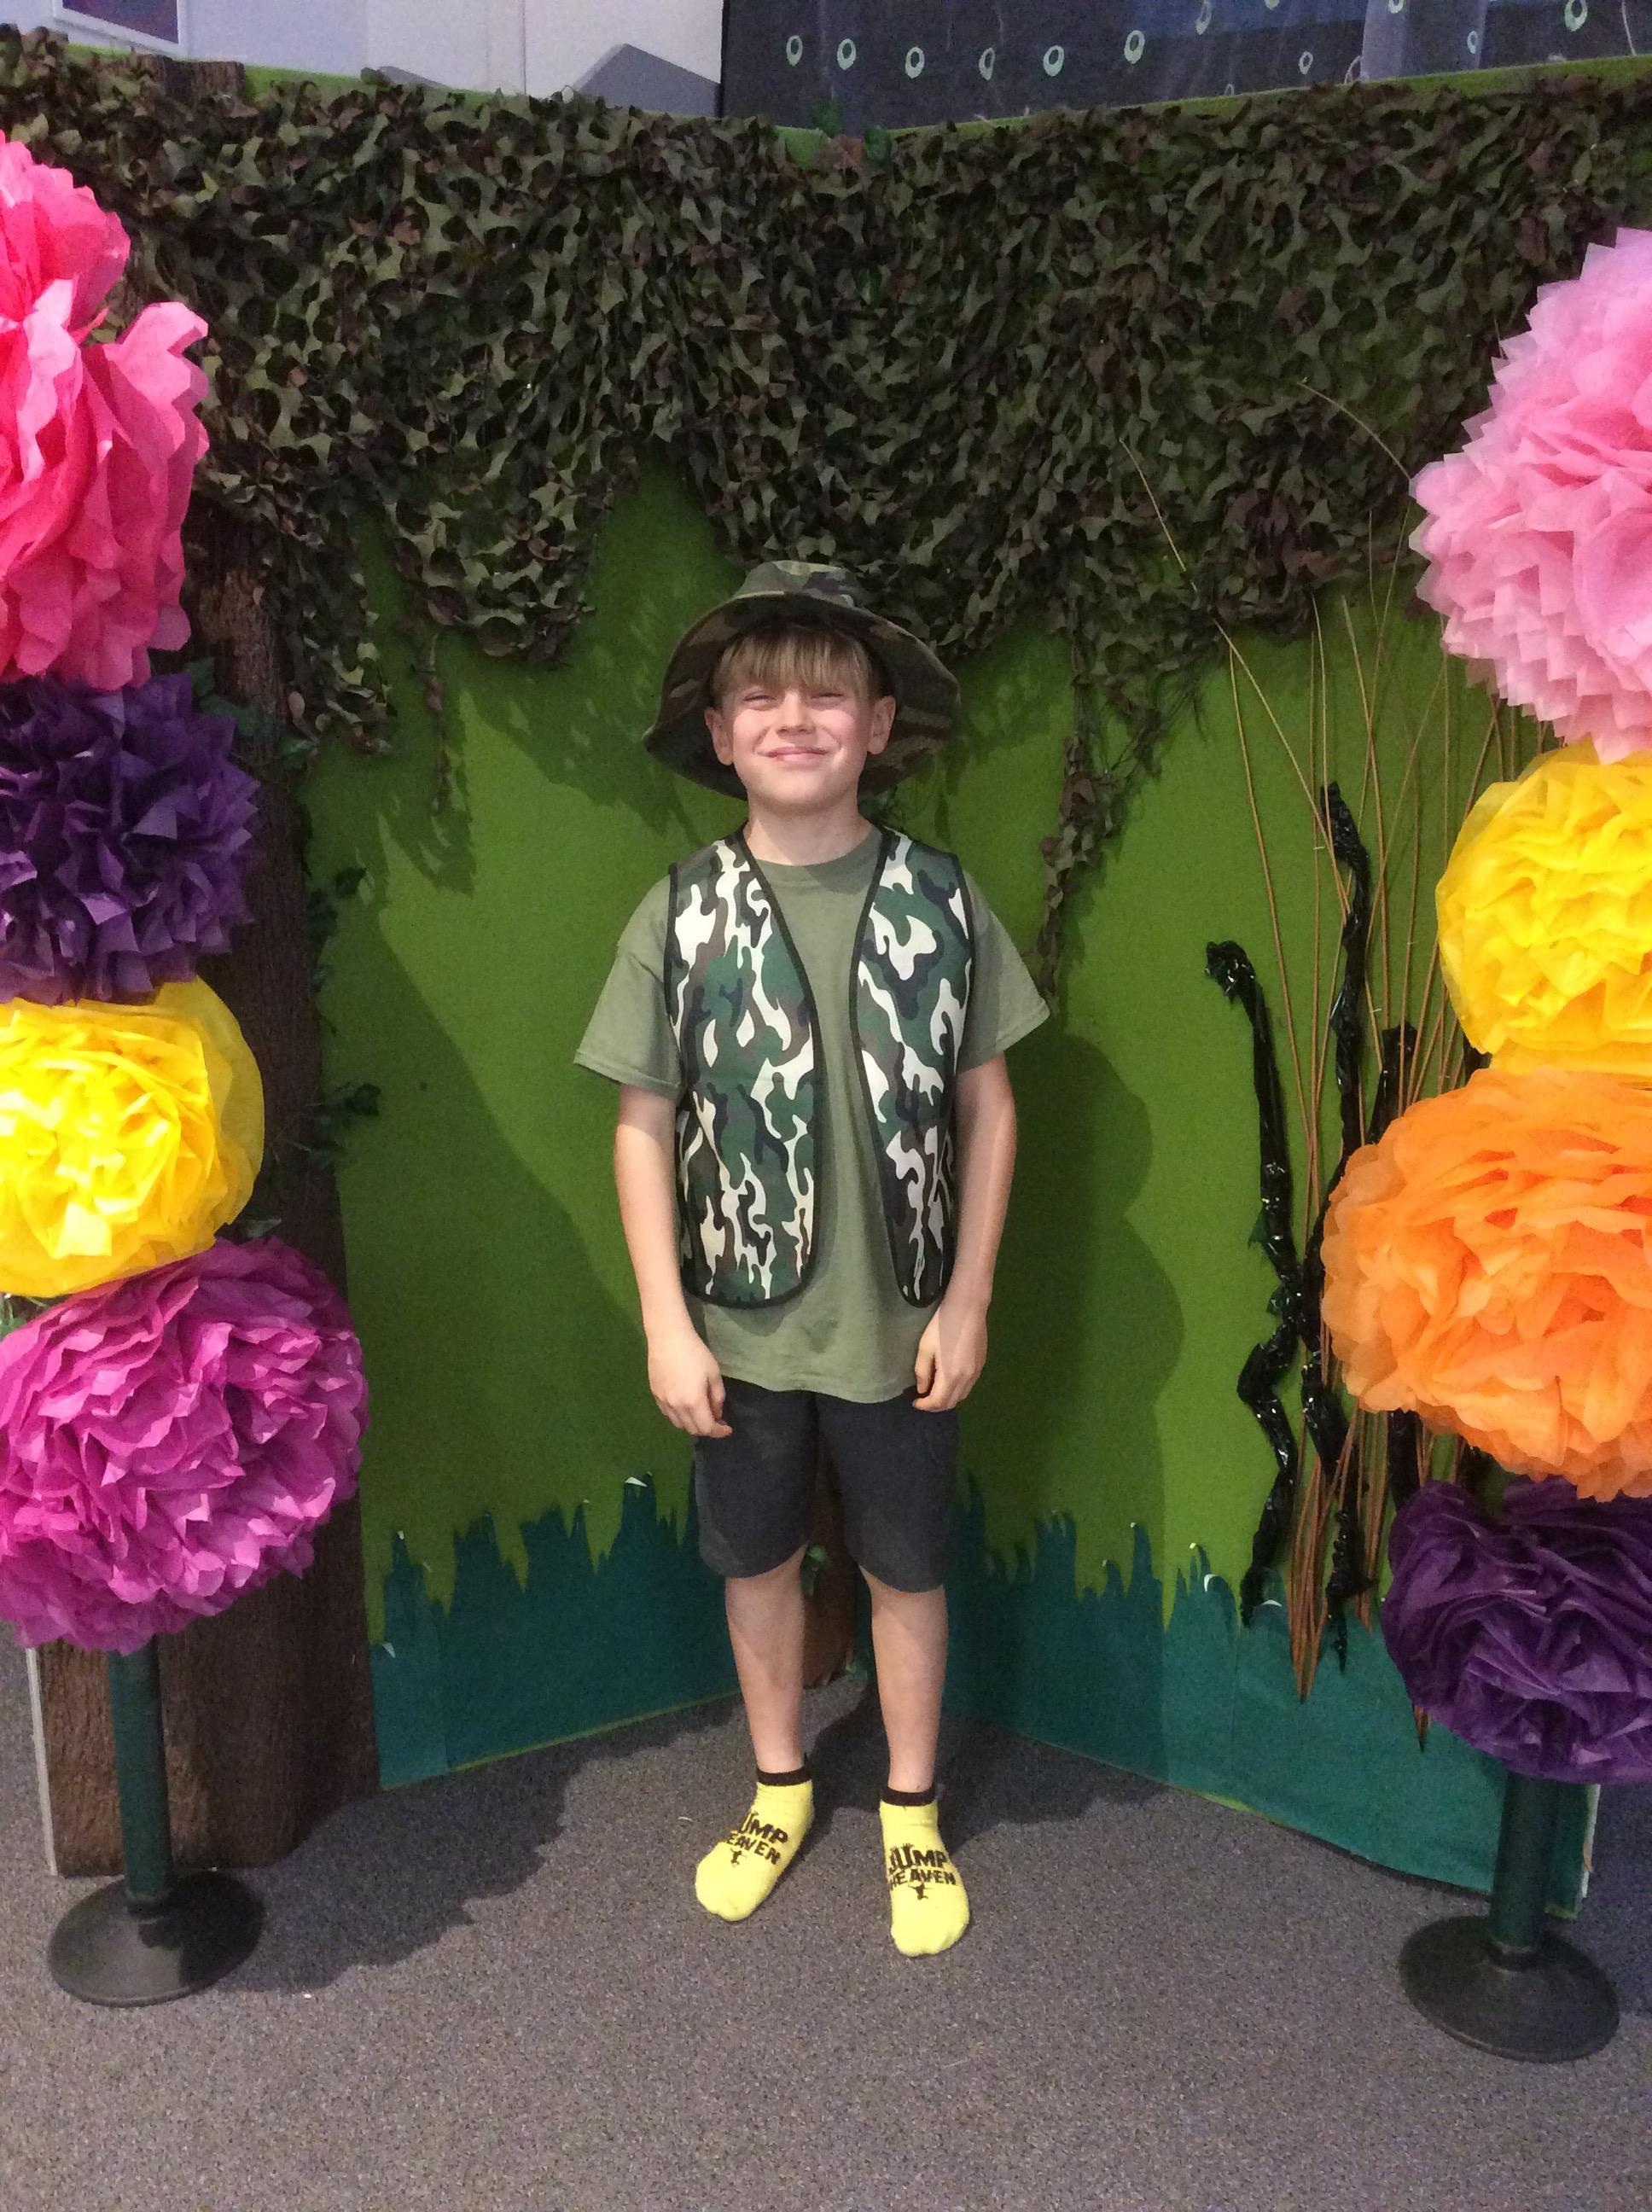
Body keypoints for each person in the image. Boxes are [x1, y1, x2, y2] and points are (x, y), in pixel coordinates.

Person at [575, 562, 1047, 1956]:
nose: (796, 718)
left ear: (879, 725)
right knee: (757, 1561)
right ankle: (780, 1784)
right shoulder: (680, 914)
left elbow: (991, 1109)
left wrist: (968, 1300)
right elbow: (641, 1129)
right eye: (763, 698)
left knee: (908, 1566)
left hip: (905, 1332)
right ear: (720, 735)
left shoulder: (943, 903)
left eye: (829, 696)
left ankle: (910, 1804)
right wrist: (668, 1324)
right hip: (739, 1332)